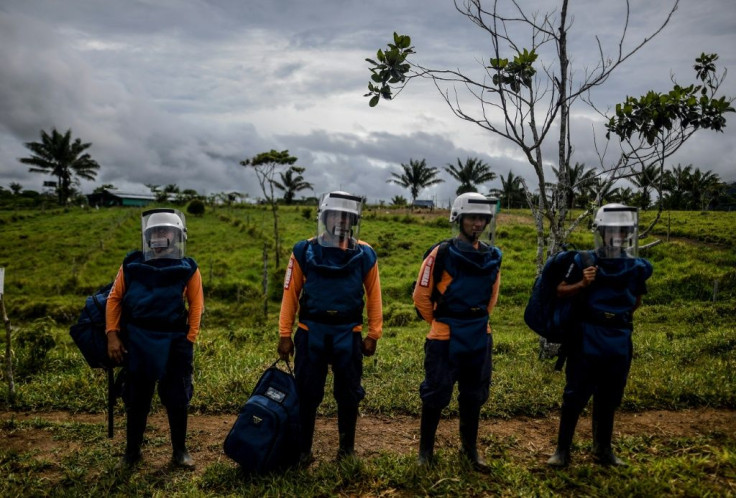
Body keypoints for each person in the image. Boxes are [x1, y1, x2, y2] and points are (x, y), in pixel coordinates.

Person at [278, 191, 383, 464]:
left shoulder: (365, 253)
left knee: (348, 394)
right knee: (307, 393)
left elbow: (374, 295)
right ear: (324, 218)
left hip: (349, 334)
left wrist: (374, 334)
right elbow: (290, 293)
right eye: (335, 215)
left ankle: (346, 451)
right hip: (311, 331)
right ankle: (303, 451)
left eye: (347, 216)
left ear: (354, 220)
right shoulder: (304, 250)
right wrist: (284, 334)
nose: (341, 221)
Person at [547, 203, 653, 467]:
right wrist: (582, 284)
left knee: (610, 395)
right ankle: (562, 451)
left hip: (619, 337)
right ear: (602, 231)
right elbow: (559, 290)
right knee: (575, 394)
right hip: (586, 336)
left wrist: (616, 318)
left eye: (624, 230)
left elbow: (636, 301)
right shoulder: (584, 260)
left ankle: (603, 449)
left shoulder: (637, 267)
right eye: (612, 230)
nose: (618, 235)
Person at [106, 208, 204, 469]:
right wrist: (113, 335)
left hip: (175, 340)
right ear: (147, 237)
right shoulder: (132, 264)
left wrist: (189, 339)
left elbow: (196, 306)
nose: (160, 235)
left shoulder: (188, 268)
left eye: (166, 231)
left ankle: (180, 451)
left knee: (177, 397)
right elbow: (114, 299)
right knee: (137, 398)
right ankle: (132, 453)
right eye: (155, 231)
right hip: (138, 339)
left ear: (176, 235)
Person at [413, 192, 502, 470]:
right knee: (436, 394)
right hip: (444, 337)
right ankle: (425, 453)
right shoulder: (440, 254)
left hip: (478, 335)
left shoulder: (493, 256)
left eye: (483, 219)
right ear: (459, 219)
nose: (478, 224)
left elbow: (492, 298)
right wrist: (441, 323)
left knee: (474, 394)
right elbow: (421, 297)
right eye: (472, 218)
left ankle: (470, 449)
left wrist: (476, 322)